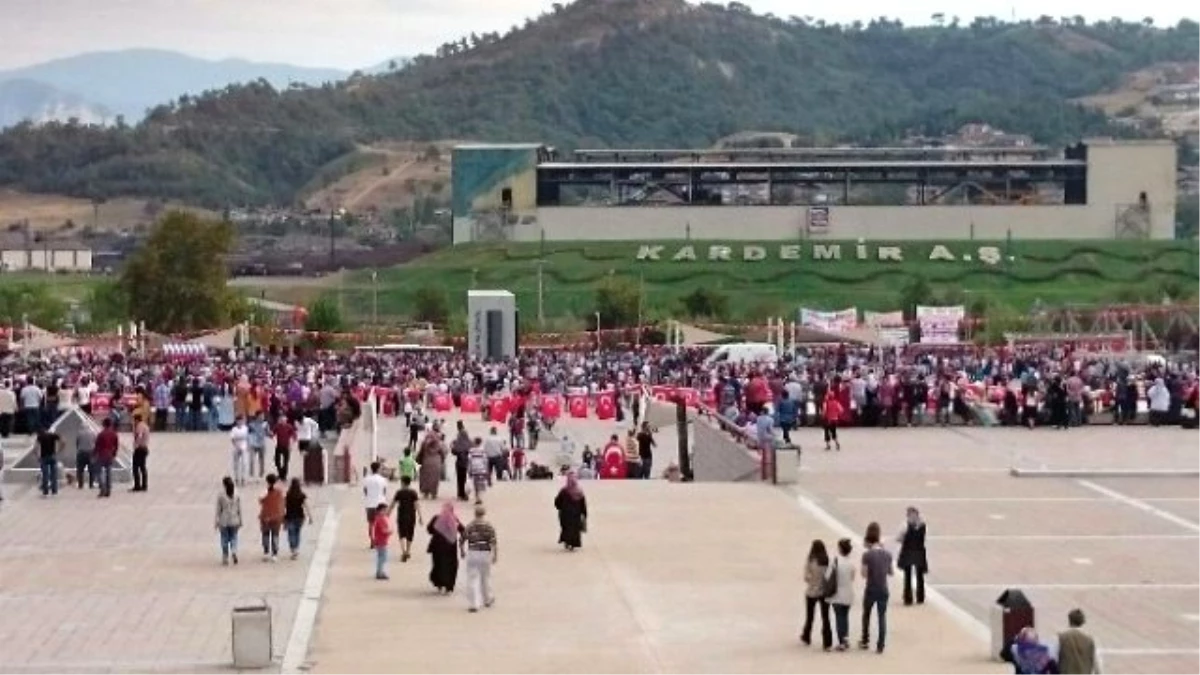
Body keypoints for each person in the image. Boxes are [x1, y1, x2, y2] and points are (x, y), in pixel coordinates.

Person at [859, 522, 894, 653]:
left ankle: (865, 639)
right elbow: (891, 572)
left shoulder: (867, 555)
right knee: (882, 617)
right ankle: (880, 644)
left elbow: (864, 574)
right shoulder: (887, 554)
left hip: (871, 588)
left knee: (866, 615)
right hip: (883, 588)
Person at [461, 503, 498, 613]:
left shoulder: (470, 526)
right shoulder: (489, 526)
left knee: (472, 579)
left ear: (475, 513)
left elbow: (462, 539)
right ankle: (487, 599)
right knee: (485, 577)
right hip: (485, 553)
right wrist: (495, 555)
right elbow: (493, 542)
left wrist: (462, 551)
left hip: (473, 553)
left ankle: (474, 604)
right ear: (484, 513)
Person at [801, 539, 833, 650]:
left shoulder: (811, 561)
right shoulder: (827, 561)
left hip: (811, 591)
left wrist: (812, 580)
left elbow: (806, 577)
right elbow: (829, 577)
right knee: (826, 617)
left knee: (810, 617)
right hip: (824, 592)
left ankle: (806, 636)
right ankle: (827, 642)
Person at [427, 501, 465, 594]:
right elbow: (463, 530)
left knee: (438, 564)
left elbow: (429, 529)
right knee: (451, 566)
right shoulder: (454, 519)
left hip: (437, 546)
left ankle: (440, 584)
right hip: (450, 547)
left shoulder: (436, 518)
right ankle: (449, 587)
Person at [827, 538, 856, 651]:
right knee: (845, 617)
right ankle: (845, 638)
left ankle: (841, 641)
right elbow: (852, 578)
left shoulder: (835, 562)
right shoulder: (851, 563)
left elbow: (827, 576)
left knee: (839, 618)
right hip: (848, 592)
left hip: (837, 593)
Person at [1053, 609, 1100, 675]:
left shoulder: (1061, 638)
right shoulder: (1090, 641)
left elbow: (1054, 659)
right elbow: (1097, 665)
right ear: (1082, 622)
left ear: (1069, 620)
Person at [897, 506, 928, 606]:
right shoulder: (923, 525)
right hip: (919, 551)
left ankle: (908, 598)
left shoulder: (905, 525)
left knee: (908, 576)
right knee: (920, 576)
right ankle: (920, 597)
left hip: (908, 551)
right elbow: (923, 538)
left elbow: (898, 538)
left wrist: (904, 540)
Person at [389, 475, 423, 562]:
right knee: (410, 533)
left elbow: (393, 504)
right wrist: (420, 517)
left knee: (401, 533)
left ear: (403, 482)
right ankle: (408, 551)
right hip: (411, 515)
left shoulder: (399, 492)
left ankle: (403, 551)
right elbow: (417, 505)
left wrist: (388, 513)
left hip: (401, 515)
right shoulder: (413, 492)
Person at [554, 471, 588, 551]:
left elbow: (557, 501)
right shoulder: (579, 491)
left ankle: (567, 542)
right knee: (575, 529)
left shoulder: (564, 491)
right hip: (576, 514)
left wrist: (559, 508)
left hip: (565, 514)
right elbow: (583, 504)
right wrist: (584, 514)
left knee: (566, 528)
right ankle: (573, 544)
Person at [215, 476, 243, 565]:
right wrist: (241, 520)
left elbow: (218, 510)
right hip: (235, 520)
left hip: (224, 521)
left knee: (224, 539)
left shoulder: (221, 495)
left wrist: (216, 521)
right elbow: (239, 509)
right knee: (234, 537)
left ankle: (225, 556)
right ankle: (234, 551)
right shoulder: (237, 494)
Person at [283, 478, 313, 560]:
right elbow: (306, 506)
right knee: (297, 533)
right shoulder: (301, 495)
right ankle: (296, 548)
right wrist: (310, 517)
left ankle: (293, 549)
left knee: (291, 534)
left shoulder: (288, 494)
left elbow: (283, 506)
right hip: (300, 517)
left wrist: (282, 516)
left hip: (289, 517)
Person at [361, 461, 389, 546]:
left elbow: (365, 491)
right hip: (380, 504)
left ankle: (372, 541)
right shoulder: (383, 480)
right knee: (382, 523)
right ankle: (380, 540)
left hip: (370, 504)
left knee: (371, 523)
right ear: (378, 469)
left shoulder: (367, 479)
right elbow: (384, 491)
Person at [258, 474, 285, 562]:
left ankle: (266, 552)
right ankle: (274, 553)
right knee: (275, 535)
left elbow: (260, 501)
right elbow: (282, 503)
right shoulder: (279, 492)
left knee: (265, 535)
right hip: (276, 516)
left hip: (265, 516)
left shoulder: (264, 492)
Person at [94, 417, 119, 498]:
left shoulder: (101, 434)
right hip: (110, 455)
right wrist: (114, 454)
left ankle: (102, 488)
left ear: (104, 424)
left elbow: (97, 446)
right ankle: (108, 490)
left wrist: (93, 454)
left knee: (99, 472)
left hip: (101, 455)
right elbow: (116, 445)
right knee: (109, 473)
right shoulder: (114, 434)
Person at [417, 430, 445, 500]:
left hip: (426, 462)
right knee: (435, 479)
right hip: (436, 463)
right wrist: (442, 461)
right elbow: (442, 453)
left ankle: (426, 493)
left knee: (425, 478)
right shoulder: (438, 444)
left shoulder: (424, 443)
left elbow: (420, 453)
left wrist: (418, 461)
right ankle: (434, 493)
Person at [36, 426, 62, 497]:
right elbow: (63, 442)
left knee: (45, 475)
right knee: (54, 474)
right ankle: (54, 491)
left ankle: (45, 492)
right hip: (52, 456)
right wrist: (58, 450)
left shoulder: (40, 437)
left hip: (44, 457)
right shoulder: (53, 435)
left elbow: (36, 447)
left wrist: (37, 456)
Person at [451, 422, 472, 501]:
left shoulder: (458, 442)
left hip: (459, 462)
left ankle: (460, 494)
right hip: (467, 462)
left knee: (460, 479)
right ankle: (465, 494)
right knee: (466, 479)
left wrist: (453, 446)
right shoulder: (469, 442)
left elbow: (454, 451)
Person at [272, 413, 297, 481]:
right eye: (281, 419)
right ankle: (280, 473)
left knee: (285, 462)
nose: (282, 420)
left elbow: (294, 435)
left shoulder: (289, 426)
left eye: (284, 419)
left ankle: (284, 476)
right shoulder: (277, 426)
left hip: (286, 446)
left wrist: (292, 444)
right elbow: (272, 434)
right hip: (279, 445)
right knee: (277, 461)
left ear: (286, 420)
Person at [371, 502, 392, 580]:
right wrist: (390, 531)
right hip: (381, 541)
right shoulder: (381, 519)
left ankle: (380, 571)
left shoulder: (378, 518)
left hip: (379, 540)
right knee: (383, 558)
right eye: (385, 510)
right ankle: (379, 572)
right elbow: (384, 530)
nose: (386, 511)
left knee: (381, 557)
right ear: (380, 510)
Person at [75, 419, 97, 490]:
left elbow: (77, 443)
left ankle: (80, 484)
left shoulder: (79, 433)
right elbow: (95, 442)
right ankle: (91, 484)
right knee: (91, 470)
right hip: (91, 453)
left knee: (80, 470)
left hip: (81, 453)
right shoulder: (92, 433)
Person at [131, 413, 150, 492]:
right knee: (143, 467)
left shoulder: (139, 426)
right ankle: (144, 485)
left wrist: (136, 445)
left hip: (139, 449)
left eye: (134, 420)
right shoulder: (145, 425)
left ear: (137, 420)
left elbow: (139, 436)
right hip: (145, 448)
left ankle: (137, 485)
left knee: (135, 468)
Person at [467, 438, 489, 503]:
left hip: (474, 469)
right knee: (481, 484)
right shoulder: (483, 450)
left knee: (475, 484)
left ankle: (477, 498)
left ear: (474, 442)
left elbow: (469, 460)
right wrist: (486, 469)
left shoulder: (471, 450)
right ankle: (480, 497)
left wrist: (469, 469)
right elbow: (485, 460)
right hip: (482, 469)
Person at [247, 411, 268, 480]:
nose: (262, 417)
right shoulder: (251, 424)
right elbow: (248, 434)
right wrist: (248, 444)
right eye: (261, 416)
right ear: (257, 416)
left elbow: (268, 433)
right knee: (252, 459)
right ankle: (251, 474)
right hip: (253, 444)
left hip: (262, 444)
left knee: (262, 460)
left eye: (263, 416)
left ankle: (261, 474)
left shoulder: (265, 424)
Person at [230, 415, 250, 486]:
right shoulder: (234, 429)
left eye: (241, 421)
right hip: (236, 446)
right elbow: (232, 439)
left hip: (244, 446)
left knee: (244, 463)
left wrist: (248, 446)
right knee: (236, 464)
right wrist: (236, 446)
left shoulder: (245, 428)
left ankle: (243, 478)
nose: (240, 422)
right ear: (236, 421)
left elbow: (248, 438)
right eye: (239, 421)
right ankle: (236, 478)